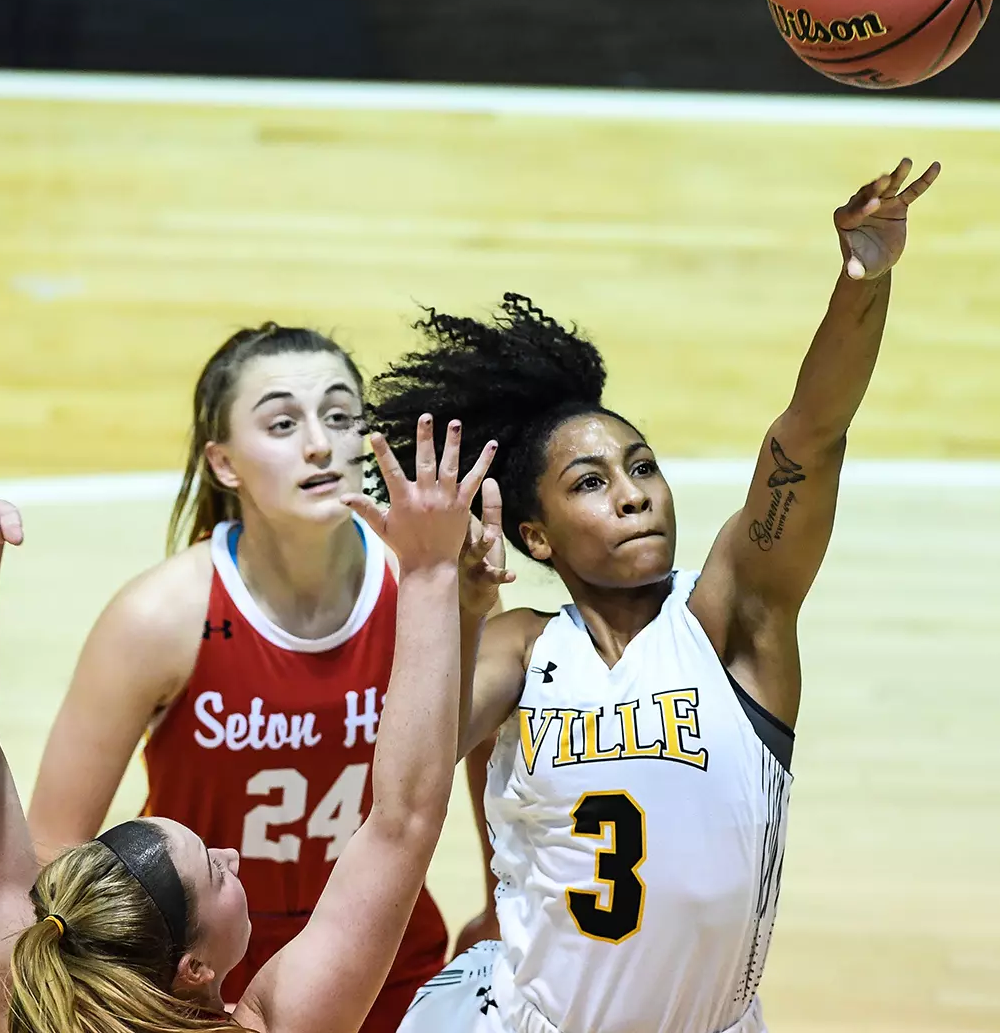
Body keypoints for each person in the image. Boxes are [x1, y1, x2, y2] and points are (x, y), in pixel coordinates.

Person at [376, 159, 940, 1033]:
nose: (634, 493)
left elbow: (811, 433)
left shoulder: (730, 620)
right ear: (537, 537)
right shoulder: (522, 647)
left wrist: (860, 282)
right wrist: (455, 603)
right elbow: (409, 770)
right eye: (591, 483)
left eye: (643, 468)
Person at [0, 416, 496, 1033]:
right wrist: (429, 573)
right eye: (216, 870)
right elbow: (401, 820)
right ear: (193, 967)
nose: (231, 853)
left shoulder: (34, 1009)